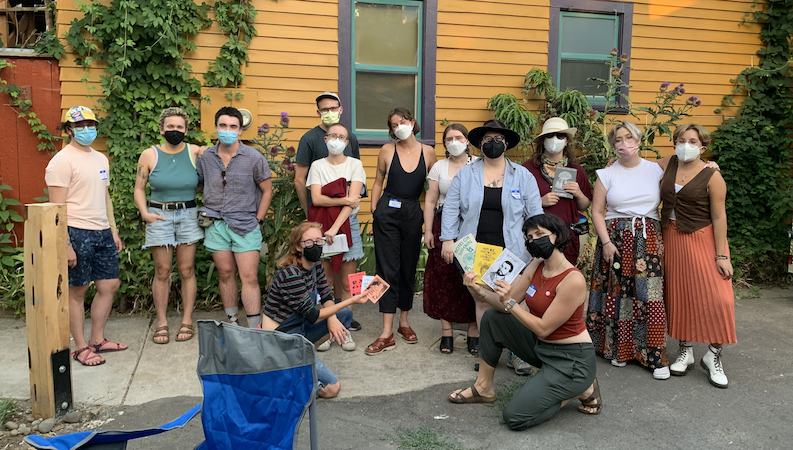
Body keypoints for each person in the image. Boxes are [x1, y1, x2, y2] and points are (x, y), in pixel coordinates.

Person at [449, 214, 600, 429]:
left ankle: (580, 389)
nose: (533, 240)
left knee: (515, 417)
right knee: (493, 318)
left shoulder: (573, 279)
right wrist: (478, 290)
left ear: (556, 236)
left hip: (571, 360)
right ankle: (483, 388)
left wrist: (510, 302)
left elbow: (544, 328)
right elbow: (503, 306)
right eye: (529, 237)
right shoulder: (536, 266)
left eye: (540, 234)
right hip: (542, 349)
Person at [440, 119, 543, 373]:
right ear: (479, 144)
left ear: (506, 143)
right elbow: (451, 208)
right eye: (487, 140)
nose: (493, 144)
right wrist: (448, 240)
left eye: (498, 139)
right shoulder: (466, 174)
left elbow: (534, 213)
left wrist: (537, 245)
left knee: (513, 299)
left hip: (513, 249)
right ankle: (489, 352)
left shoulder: (523, 175)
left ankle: (517, 353)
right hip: (475, 249)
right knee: (483, 301)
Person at [586, 121, 670, 380]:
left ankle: (654, 356)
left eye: (629, 138)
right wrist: (606, 242)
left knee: (649, 296)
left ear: (639, 139)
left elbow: (688, 162)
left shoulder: (656, 169)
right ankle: (619, 350)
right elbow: (597, 211)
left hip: (648, 238)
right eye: (618, 140)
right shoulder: (607, 173)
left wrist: (711, 164)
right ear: (613, 145)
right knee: (616, 295)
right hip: (613, 239)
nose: (624, 144)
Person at [45, 106, 127, 366]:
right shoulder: (61, 161)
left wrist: (113, 230)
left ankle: (97, 340)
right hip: (76, 232)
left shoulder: (100, 159)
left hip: (102, 231)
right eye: (79, 126)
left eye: (90, 124)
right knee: (77, 290)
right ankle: (80, 348)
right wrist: (66, 244)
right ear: (68, 129)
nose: (86, 130)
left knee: (109, 285)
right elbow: (56, 209)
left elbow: (105, 197)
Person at [660, 123, 736, 388]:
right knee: (681, 294)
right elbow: (636, 166)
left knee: (719, 298)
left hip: (703, 238)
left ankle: (713, 354)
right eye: (681, 140)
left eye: (692, 141)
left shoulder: (712, 175)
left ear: (702, 147)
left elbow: (719, 216)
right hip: (672, 236)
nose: (686, 145)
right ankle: (686, 349)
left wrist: (721, 255)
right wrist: (615, 161)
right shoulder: (668, 163)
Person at [260, 222, 368, 398]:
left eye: (319, 241)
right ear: (297, 247)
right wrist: (352, 299)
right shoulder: (291, 275)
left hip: (299, 333)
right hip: (280, 343)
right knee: (332, 388)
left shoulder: (315, 265)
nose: (315, 245)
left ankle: (303, 361)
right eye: (309, 242)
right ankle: (286, 377)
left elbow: (326, 296)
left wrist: (333, 318)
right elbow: (313, 315)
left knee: (344, 315)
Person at [367, 107, 437, 355]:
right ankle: (386, 332)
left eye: (403, 121)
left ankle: (403, 323)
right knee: (386, 269)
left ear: (412, 122)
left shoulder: (428, 152)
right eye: (394, 124)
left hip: (412, 212)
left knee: (408, 267)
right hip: (387, 210)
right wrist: (375, 210)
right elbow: (377, 182)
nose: (399, 126)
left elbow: (433, 189)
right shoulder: (387, 150)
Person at [196, 106, 273, 328]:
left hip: (246, 224)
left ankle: (254, 326)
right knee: (226, 273)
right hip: (215, 224)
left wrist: (258, 220)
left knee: (249, 277)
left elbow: (267, 191)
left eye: (232, 126)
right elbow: (199, 184)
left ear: (240, 130)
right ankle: (232, 321)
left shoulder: (254, 158)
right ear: (216, 128)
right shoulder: (207, 157)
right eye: (223, 126)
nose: (227, 130)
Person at [133, 107, 204, 344]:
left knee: (186, 270)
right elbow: (139, 188)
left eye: (180, 127)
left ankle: (186, 320)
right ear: (161, 129)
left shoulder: (195, 152)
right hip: (159, 215)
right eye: (170, 127)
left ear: (186, 130)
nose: (175, 131)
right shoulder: (149, 155)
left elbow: (207, 180)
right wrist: (145, 213)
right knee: (162, 271)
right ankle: (162, 322)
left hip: (188, 215)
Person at [294, 91, 363, 331]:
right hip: (319, 223)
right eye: (325, 109)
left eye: (333, 107)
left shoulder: (353, 155)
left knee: (347, 279)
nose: (330, 112)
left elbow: (355, 196)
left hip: (346, 224)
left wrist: (341, 206)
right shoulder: (311, 144)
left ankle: (345, 321)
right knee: (322, 278)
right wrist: (312, 216)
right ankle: (323, 324)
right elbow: (311, 192)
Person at [306, 122, 366, 352]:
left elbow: (354, 203)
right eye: (332, 135)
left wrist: (335, 229)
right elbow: (317, 199)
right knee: (325, 282)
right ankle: (326, 331)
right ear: (325, 139)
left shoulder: (355, 164)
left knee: (347, 284)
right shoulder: (317, 166)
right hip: (320, 224)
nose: (336, 140)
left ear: (347, 142)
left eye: (341, 137)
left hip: (346, 225)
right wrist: (344, 201)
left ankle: (345, 329)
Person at [422, 123, 478, 355]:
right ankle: (447, 333)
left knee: (471, 277)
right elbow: (430, 201)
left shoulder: (478, 165)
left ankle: (473, 332)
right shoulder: (438, 167)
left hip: (472, 225)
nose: (453, 141)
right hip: (443, 224)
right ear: (444, 143)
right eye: (449, 138)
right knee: (443, 277)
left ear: (466, 140)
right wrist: (428, 231)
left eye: (458, 137)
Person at [523, 117, 593, 264]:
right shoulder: (528, 169)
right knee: (536, 280)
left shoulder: (577, 170)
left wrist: (578, 193)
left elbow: (584, 206)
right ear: (543, 140)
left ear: (566, 141)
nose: (555, 139)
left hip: (566, 237)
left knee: (565, 280)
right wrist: (539, 202)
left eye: (560, 136)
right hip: (537, 236)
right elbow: (516, 202)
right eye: (550, 135)